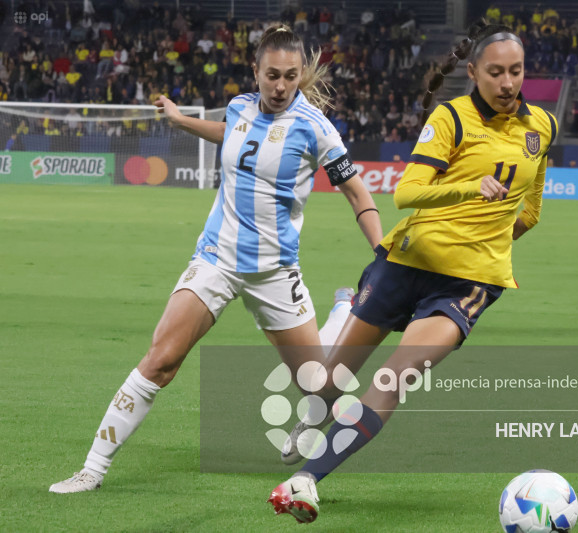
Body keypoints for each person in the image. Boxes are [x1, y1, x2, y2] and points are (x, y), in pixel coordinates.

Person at [49, 24, 383, 494]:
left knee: (320, 387)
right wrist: (180, 120)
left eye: (290, 77)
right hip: (216, 259)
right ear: (256, 71)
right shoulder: (240, 106)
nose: (280, 86)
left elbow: (357, 192)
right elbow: (231, 135)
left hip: (274, 272)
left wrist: (381, 251)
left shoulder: (315, 128)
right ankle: (92, 469)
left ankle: (341, 314)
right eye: (272, 76)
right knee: (161, 360)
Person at [267, 21, 558, 524]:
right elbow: (407, 193)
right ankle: (334, 343)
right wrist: (469, 189)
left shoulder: (542, 127)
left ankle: (307, 479)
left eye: (516, 71)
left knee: (395, 377)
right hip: (406, 263)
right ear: (473, 72)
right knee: (329, 383)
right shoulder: (451, 118)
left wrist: (491, 241)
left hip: (468, 283)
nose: (508, 82)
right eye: (495, 72)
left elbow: (530, 208)